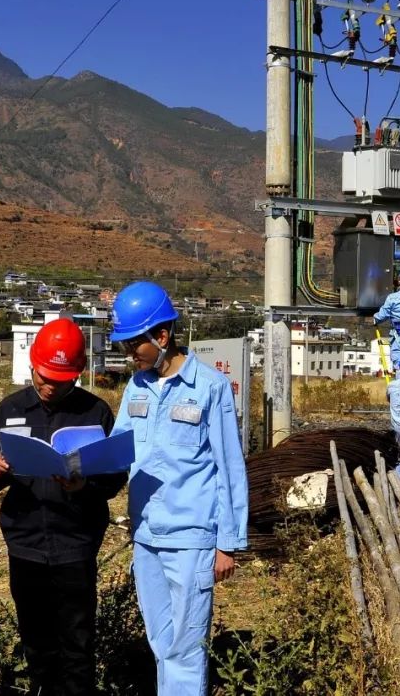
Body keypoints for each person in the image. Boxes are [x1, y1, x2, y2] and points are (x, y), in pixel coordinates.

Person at [109, 281, 248, 696]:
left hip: (191, 539)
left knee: (186, 648)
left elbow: (229, 467)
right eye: (125, 345)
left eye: (135, 344)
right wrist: (83, 467)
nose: (130, 354)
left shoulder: (210, 387)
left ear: (162, 336)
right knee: (160, 642)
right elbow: (119, 446)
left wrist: (227, 543)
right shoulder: (136, 386)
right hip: (147, 535)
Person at [0, 318, 125, 696]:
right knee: (36, 641)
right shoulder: (9, 410)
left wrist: (84, 485)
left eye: (59, 381)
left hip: (75, 545)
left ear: (76, 376)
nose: (48, 386)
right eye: (43, 377)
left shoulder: (95, 413)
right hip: (25, 544)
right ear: (32, 366)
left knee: (77, 643)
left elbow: (113, 477)